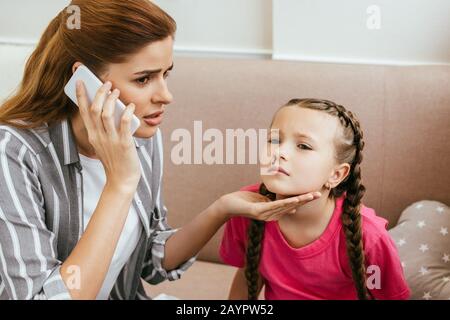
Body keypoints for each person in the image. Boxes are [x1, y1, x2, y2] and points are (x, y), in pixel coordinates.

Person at [0, 1, 321, 300]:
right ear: (83, 82)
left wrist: (220, 210)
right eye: (144, 79)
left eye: (166, 74)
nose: (165, 96)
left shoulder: (141, 135)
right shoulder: (14, 151)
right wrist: (119, 184)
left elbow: (150, 262)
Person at [220, 99, 410, 300]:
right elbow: (248, 274)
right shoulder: (245, 208)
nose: (279, 152)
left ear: (336, 175)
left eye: (303, 145)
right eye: (274, 140)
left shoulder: (370, 238)